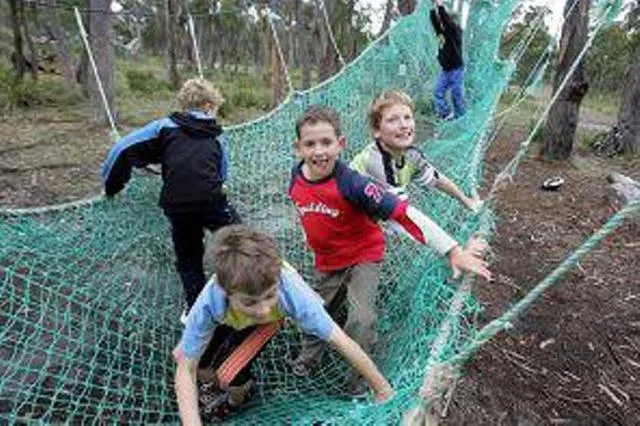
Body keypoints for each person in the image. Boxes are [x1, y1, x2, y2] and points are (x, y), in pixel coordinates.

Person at [288, 105, 490, 390]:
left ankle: (358, 380)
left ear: (340, 144)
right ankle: (307, 359)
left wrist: (453, 250)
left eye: (327, 143)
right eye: (310, 144)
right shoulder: (295, 176)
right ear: (298, 148)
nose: (319, 151)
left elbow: (403, 214)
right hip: (326, 260)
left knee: (361, 320)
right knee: (314, 311)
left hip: (362, 256)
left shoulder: (354, 184)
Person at [172, 225, 394, 424]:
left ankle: (236, 399)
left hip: (265, 325)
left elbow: (342, 342)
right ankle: (212, 383)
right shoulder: (210, 303)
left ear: (278, 280)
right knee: (187, 359)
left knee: (228, 376)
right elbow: (186, 367)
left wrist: (383, 391)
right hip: (228, 318)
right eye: (251, 302)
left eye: (269, 296)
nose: (263, 309)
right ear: (225, 291)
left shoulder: (293, 295)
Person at [102, 78, 240, 314]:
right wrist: (220, 186)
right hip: (212, 201)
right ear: (208, 106)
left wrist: (112, 186)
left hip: (178, 207)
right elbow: (222, 172)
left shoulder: (163, 127)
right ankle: (245, 294)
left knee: (188, 257)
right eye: (215, 109)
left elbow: (122, 149)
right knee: (240, 242)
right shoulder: (216, 134)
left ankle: (196, 309)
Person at [351, 90, 481, 212]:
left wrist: (466, 201)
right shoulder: (375, 163)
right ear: (376, 131)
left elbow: (437, 179)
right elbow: (405, 218)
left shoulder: (411, 155)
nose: (404, 125)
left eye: (407, 117)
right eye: (393, 120)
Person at [430, 0, 466, 120]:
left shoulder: (455, 31)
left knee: (456, 93)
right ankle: (445, 113)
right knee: (437, 91)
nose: (443, 22)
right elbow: (436, 22)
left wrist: (440, 5)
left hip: (456, 68)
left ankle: (460, 117)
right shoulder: (442, 33)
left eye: (448, 19)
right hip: (446, 70)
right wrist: (433, 6)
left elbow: (445, 21)